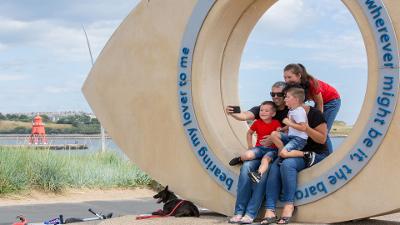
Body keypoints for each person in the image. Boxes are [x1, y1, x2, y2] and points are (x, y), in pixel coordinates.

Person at [226, 81, 288, 224]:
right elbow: (244, 116)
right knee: (246, 168)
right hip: (259, 150)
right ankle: (238, 211)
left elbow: (290, 133)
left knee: (263, 174)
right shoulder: (262, 108)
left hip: (273, 153)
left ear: (285, 95)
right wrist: (233, 113)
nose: (276, 96)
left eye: (279, 94)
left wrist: (274, 139)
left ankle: (250, 213)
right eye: (273, 94)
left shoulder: (288, 111)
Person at [260, 105, 329, 225]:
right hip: (293, 151)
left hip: (315, 154)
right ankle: (270, 209)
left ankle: (289, 205)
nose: (285, 100)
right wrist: (278, 133)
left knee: (287, 164)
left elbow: (322, 139)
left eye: (287, 96)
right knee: (276, 165)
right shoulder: (292, 112)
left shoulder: (315, 114)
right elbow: (290, 134)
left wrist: (305, 128)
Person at [283, 63, 340, 154]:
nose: (287, 80)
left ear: (299, 76)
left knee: (323, 130)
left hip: (331, 100)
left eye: (289, 77)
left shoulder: (311, 83)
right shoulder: (296, 87)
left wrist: (319, 120)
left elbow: (319, 103)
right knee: (311, 128)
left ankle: (328, 156)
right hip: (321, 102)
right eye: (285, 78)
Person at [229, 101, 281, 184]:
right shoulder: (257, 122)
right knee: (247, 155)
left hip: (272, 150)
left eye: (266, 111)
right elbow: (249, 133)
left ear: (273, 114)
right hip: (259, 148)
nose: (263, 112)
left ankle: (258, 174)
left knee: (265, 160)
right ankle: (240, 159)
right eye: (261, 110)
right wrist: (250, 146)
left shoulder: (276, 123)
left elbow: (280, 134)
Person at [270, 88, 308, 161]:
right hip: (291, 137)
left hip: (299, 139)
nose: (285, 99)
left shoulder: (299, 112)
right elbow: (291, 125)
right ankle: (282, 152)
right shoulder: (291, 110)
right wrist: (282, 129)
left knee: (283, 153)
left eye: (287, 97)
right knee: (274, 134)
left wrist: (289, 122)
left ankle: (306, 154)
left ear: (296, 100)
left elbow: (303, 128)